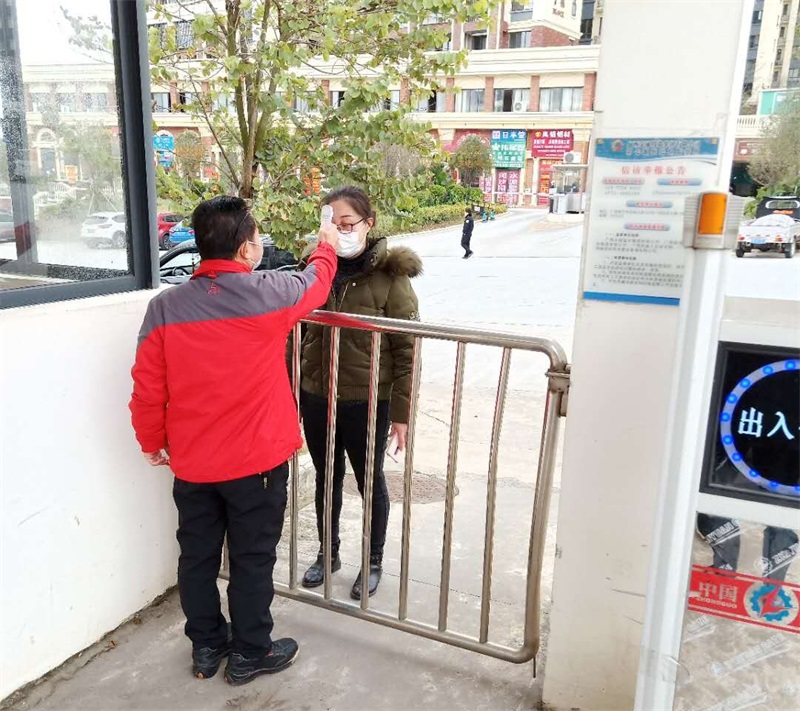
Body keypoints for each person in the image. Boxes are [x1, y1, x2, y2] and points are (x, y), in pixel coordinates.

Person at [129, 196, 338, 686]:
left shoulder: (164, 308)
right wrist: (326, 244)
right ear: (246, 248)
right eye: (257, 237)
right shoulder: (269, 293)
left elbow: (147, 387)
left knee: (197, 556)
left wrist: (151, 440)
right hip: (256, 463)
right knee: (252, 559)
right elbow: (317, 282)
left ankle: (206, 646)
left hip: (193, 463)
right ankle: (250, 651)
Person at [296, 185, 422, 599]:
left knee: (371, 481)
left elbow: (407, 350)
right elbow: (295, 335)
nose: (339, 232)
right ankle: (327, 553)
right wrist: (293, 393)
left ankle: (372, 560)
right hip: (317, 395)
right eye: (331, 224)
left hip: (368, 400)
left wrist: (401, 413)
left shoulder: (391, 277)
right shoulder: (314, 269)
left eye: (347, 223)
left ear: (369, 223)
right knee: (326, 477)